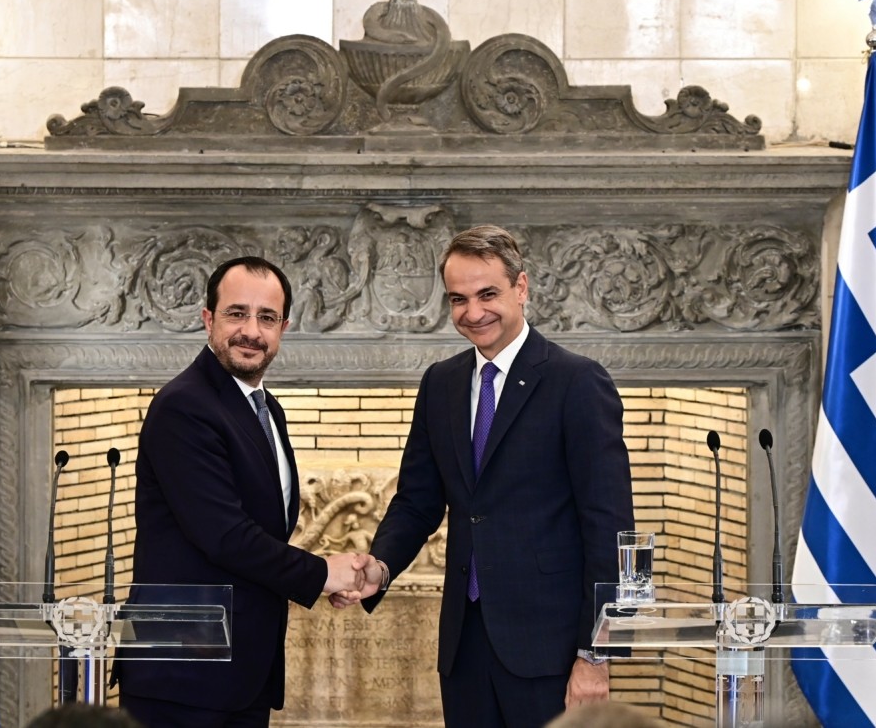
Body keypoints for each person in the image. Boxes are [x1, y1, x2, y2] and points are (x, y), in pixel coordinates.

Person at [345, 225, 635, 728]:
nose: (473, 312)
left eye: (487, 294)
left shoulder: (577, 381)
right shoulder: (441, 382)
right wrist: (382, 565)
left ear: (521, 287)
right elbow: (417, 500)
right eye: (458, 299)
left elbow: (609, 527)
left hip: (552, 651)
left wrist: (596, 653)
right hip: (465, 646)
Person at [118, 256, 369, 727]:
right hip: (181, 677)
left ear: (283, 328)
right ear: (208, 319)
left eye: (266, 318)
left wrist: (326, 577)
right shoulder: (183, 406)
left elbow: (262, 530)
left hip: (240, 672)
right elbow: (225, 536)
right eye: (237, 314)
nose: (251, 331)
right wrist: (321, 574)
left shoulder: (265, 408)